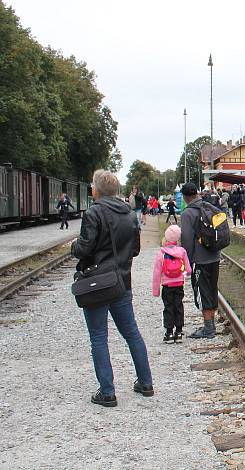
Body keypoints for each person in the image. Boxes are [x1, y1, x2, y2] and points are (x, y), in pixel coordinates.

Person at [72, 169, 153, 407]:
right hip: (121, 281)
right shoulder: (129, 213)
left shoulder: (93, 213)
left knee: (98, 337)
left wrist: (74, 247)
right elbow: (136, 249)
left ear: (96, 190)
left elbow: (85, 249)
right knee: (131, 332)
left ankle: (107, 392)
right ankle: (145, 382)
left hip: (97, 284)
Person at [180, 182, 222, 339]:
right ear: (196, 193)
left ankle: (208, 328)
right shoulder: (208, 206)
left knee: (202, 292)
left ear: (185, 197)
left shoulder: (187, 213)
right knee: (212, 289)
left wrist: (187, 262)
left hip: (199, 259)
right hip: (214, 256)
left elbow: (186, 239)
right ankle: (211, 324)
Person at [151, 224, 191, 343]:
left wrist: (156, 290)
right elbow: (188, 270)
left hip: (167, 286)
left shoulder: (161, 253)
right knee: (178, 306)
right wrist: (182, 274)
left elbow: (157, 273)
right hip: (179, 285)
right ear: (178, 238)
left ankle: (169, 333)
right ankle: (179, 332)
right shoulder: (182, 251)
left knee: (168, 307)